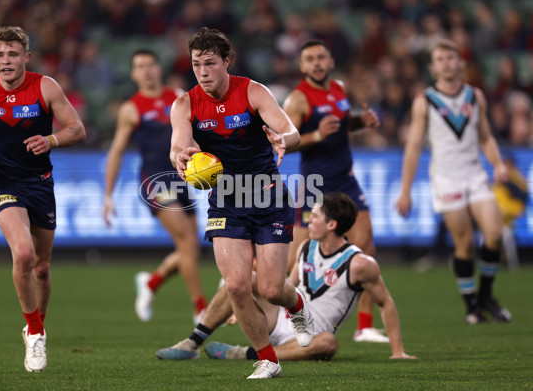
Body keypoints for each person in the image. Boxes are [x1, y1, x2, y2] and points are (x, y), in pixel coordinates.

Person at [169, 27, 313, 379]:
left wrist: (284, 140)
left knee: (270, 287)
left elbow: (290, 131)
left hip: (268, 196)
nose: (202, 72)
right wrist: (181, 155)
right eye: (196, 64)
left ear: (226, 62)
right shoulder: (185, 103)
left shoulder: (253, 92)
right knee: (235, 284)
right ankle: (268, 360)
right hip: (226, 200)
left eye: (209, 64)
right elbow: (179, 143)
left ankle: (297, 306)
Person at [0, 26, 86, 371]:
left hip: (40, 183)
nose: (6, 61)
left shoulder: (45, 86)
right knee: (24, 254)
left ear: (26, 57)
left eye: (13, 54)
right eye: (0, 55)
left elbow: (77, 128)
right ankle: (37, 334)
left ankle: (35, 325)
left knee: (42, 268)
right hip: (2, 182)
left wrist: (52, 140)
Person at [156, 192, 416, 361]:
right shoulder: (306, 247)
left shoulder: (360, 263)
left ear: (332, 225)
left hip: (312, 336)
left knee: (328, 343)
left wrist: (398, 352)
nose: (308, 221)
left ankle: (243, 354)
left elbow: (386, 302)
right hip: (282, 318)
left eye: (314, 217)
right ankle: (193, 341)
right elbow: (288, 286)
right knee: (243, 280)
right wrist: (242, 304)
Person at [396, 39, 511, 324]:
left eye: (451, 58)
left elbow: (485, 136)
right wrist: (405, 191)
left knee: (494, 233)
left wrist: (497, 163)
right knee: (465, 245)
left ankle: (485, 297)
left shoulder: (475, 96)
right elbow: (413, 147)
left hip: (475, 175)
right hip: (446, 179)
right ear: (433, 67)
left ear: (460, 63)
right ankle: (472, 306)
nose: (447, 63)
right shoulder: (425, 101)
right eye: (441, 59)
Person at [282, 39, 388, 343]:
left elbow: (342, 126)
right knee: (295, 259)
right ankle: (275, 308)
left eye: (321, 57)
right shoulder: (298, 99)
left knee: (366, 247)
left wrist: (359, 122)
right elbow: (286, 143)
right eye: (310, 59)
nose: (316, 63)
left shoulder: (339, 89)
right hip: (314, 182)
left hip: (345, 179)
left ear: (330, 61)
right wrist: (316, 133)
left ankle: (365, 326)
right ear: (302, 66)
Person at [103, 49, 207, 324]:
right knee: (186, 239)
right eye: (140, 66)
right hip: (155, 180)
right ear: (133, 74)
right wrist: (107, 195)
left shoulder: (178, 97)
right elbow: (116, 151)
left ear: (159, 68)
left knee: (190, 248)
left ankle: (152, 282)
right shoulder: (131, 108)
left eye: (150, 64)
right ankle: (200, 307)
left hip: (182, 176)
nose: (147, 70)